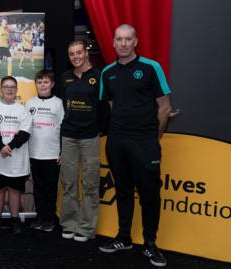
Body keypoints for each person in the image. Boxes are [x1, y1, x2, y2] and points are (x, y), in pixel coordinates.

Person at [98, 24, 172, 268]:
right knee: (123, 192)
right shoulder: (107, 72)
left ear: (135, 41)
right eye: (119, 39)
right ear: (113, 43)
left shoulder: (152, 68)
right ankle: (124, 237)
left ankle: (151, 244)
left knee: (150, 194)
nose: (123, 43)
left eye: (128, 39)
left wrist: (155, 136)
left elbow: (164, 106)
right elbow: (110, 106)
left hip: (145, 141)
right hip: (117, 141)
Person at [58, 40, 106, 242]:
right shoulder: (65, 77)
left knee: (89, 184)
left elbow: (104, 107)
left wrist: (100, 130)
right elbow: (63, 107)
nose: (75, 57)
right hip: (68, 136)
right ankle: (69, 223)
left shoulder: (98, 76)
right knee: (68, 183)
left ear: (85, 53)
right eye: (71, 54)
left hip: (89, 137)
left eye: (79, 52)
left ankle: (86, 227)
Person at [0, 76, 32, 234]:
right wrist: (0, 146)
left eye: (12, 87)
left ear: (17, 90)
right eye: (6, 86)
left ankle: (14, 219)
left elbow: (25, 133)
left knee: (14, 190)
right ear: (1, 90)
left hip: (16, 161)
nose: (9, 89)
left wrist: (9, 147)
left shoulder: (22, 110)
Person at [25, 70, 64, 232]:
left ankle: (49, 219)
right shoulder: (29, 103)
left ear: (52, 84)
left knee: (51, 188)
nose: (42, 85)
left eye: (46, 82)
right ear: (36, 84)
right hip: (34, 153)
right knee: (38, 188)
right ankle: (40, 217)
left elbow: (63, 128)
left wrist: (62, 152)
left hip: (53, 154)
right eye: (40, 82)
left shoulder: (58, 103)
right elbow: (24, 129)